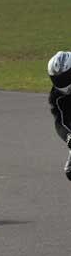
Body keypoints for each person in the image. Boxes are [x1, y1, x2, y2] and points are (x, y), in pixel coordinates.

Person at [48, 51, 71, 179]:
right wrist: (69, 138)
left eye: (65, 77)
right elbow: (60, 122)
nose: (62, 82)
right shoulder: (57, 96)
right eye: (58, 79)